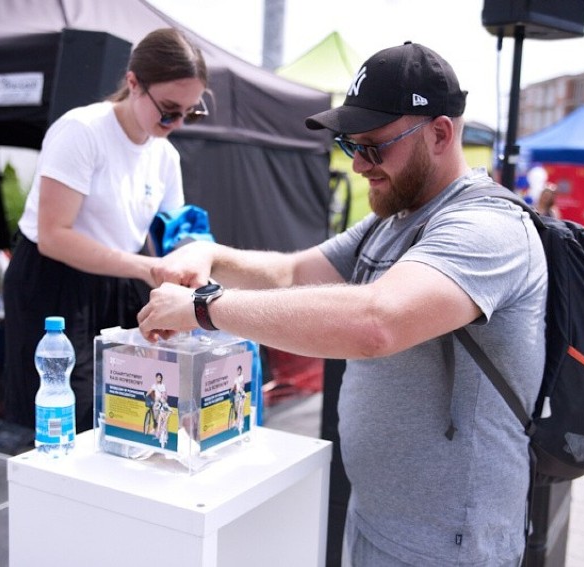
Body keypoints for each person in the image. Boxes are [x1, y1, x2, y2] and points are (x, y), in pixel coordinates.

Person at [137, 41, 547, 566]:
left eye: (374, 147)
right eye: (350, 145)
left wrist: (204, 307)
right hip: (378, 518)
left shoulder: (485, 228)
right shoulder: (394, 219)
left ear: (441, 133)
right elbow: (291, 273)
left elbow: (376, 323)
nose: (359, 166)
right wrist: (212, 254)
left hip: (450, 543)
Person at [3, 28, 209, 435]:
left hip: (121, 274)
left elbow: (178, 235)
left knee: (126, 403)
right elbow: (53, 236)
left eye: (191, 112)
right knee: (65, 415)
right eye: (169, 109)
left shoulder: (165, 155)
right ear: (133, 83)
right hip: (54, 279)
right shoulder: (83, 130)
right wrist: (147, 267)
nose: (178, 123)